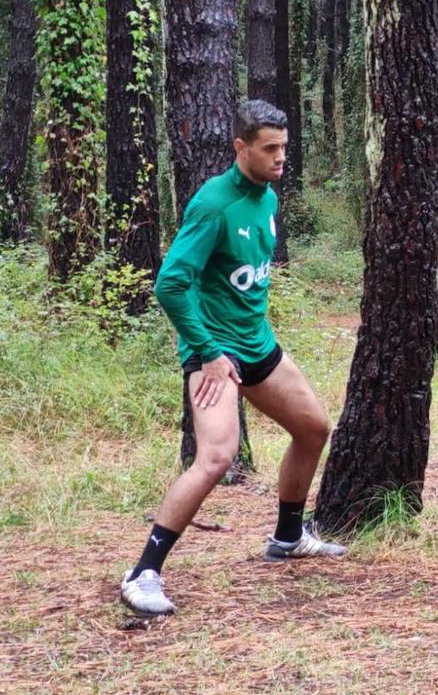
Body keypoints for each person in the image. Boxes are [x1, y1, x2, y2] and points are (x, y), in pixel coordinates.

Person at [120, 100, 346, 617]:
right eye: (270, 149)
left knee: (313, 428)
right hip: (213, 354)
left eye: (284, 147)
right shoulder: (214, 204)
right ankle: (142, 573)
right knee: (217, 457)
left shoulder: (266, 198)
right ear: (240, 148)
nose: (280, 158)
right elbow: (171, 284)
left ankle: (288, 537)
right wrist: (208, 352)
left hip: (256, 344)